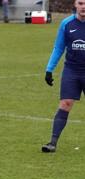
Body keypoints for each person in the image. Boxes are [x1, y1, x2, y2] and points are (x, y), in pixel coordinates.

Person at [42, 0, 85, 153]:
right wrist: (49, 69)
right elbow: (59, 47)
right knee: (65, 103)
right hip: (71, 71)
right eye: (81, 3)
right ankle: (52, 143)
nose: (84, 6)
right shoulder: (66, 24)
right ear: (75, 5)